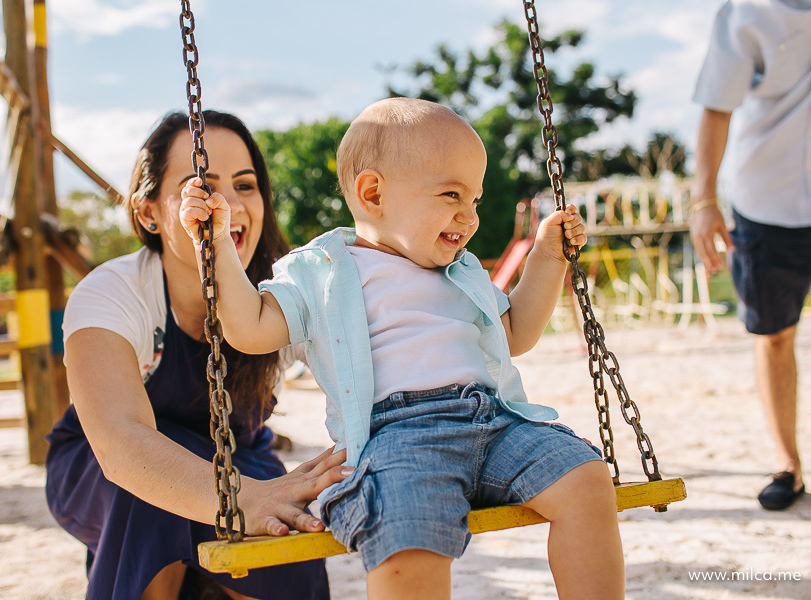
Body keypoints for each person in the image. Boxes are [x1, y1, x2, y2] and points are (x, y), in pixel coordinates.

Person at [180, 97, 624, 600]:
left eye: (474, 200)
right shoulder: (320, 269)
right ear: (373, 194)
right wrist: (214, 245)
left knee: (587, 479)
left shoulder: (461, 271)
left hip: (496, 422)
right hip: (399, 436)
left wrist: (547, 257)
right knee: (402, 529)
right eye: (452, 194)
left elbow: (516, 332)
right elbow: (250, 328)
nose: (470, 216)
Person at [44, 109, 352, 600]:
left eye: (246, 185)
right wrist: (244, 498)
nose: (229, 203)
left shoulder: (285, 295)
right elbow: (121, 443)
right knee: (148, 490)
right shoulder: (113, 293)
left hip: (240, 460)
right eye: (202, 186)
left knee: (295, 554)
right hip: (102, 472)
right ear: (148, 211)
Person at [689, 0, 810, 510]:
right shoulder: (745, 13)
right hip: (769, 201)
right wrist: (703, 200)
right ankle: (789, 464)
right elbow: (717, 107)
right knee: (774, 335)